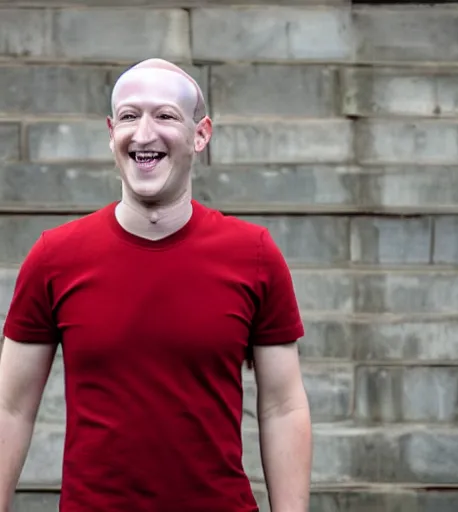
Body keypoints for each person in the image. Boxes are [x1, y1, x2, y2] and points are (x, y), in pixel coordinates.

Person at [0, 58, 312, 512]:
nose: (144, 134)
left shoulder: (255, 255)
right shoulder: (55, 257)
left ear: (200, 134)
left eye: (165, 115)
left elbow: (283, 407)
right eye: (129, 116)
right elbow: (10, 408)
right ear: (111, 133)